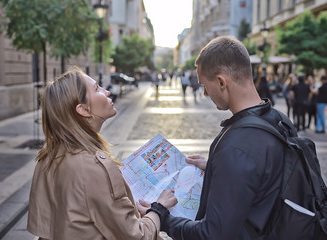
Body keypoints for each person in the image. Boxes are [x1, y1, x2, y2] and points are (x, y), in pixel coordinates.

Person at [138, 36, 296, 239]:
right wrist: (214, 166)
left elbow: (213, 234)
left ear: (221, 81)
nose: (204, 93)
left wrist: (163, 217)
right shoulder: (280, 120)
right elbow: (264, 177)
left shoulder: (235, 147)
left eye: (204, 85)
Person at [27, 67, 177, 240]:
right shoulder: (95, 165)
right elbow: (137, 236)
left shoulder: (48, 157)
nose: (107, 92)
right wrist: (159, 208)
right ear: (83, 109)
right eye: (97, 89)